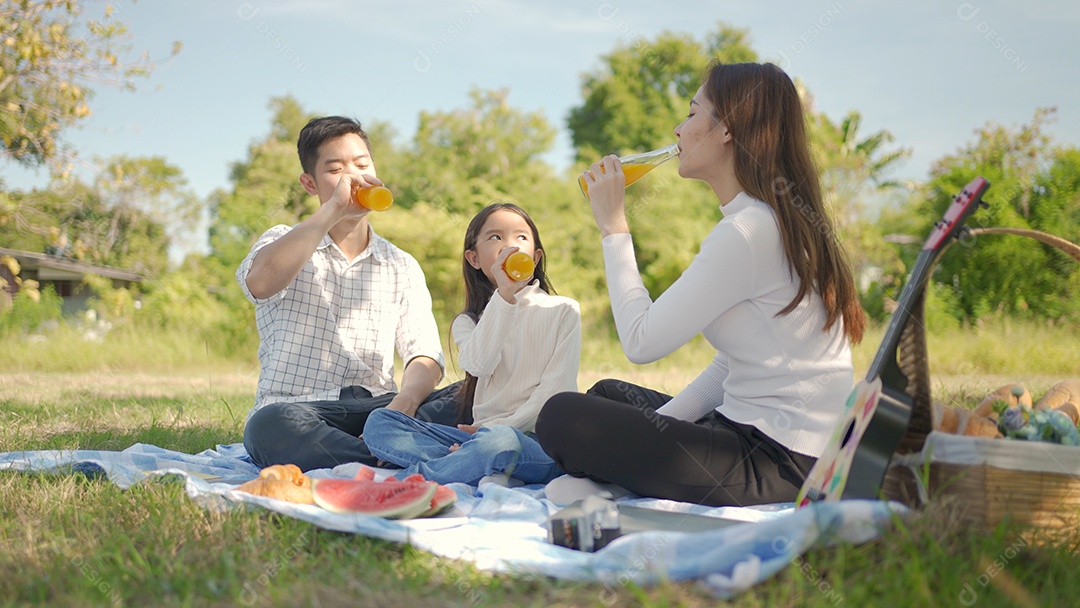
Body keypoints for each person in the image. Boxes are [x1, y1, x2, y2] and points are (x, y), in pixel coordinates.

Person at [535, 62, 867, 507]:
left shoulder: (748, 231)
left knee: (561, 416)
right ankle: (617, 476)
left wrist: (614, 227)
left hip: (782, 462)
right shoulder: (768, 220)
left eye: (692, 114)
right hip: (752, 433)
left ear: (727, 129)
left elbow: (640, 341)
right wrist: (654, 428)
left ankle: (611, 478)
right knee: (609, 396)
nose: (678, 129)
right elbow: (727, 367)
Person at [239, 116, 460, 472]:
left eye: (361, 165)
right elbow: (261, 283)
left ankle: (389, 448)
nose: (353, 178)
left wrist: (402, 405)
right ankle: (397, 457)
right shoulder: (281, 240)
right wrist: (333, 210)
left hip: (381, 408)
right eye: (336, 169)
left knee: (472, 392)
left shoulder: (400, 264)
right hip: (303, 410)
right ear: (309, 183)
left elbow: (425, 355)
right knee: (267, 428)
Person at [362, 203, 581, 485]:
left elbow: (554, 393)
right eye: (495, 237)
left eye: (521, 237)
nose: (510, 246)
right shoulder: (468, 322)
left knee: (497, 441)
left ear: (536, 257)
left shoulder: (564, 310)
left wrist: (490, 435)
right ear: (474, 258)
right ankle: (470, 463)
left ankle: (417, 480)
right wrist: (505, 296)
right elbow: (479, 364)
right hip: (476, 437)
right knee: (380, 423)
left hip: (538, 443)